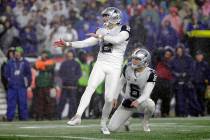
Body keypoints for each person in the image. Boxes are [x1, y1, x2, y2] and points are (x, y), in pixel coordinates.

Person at [54, 7, 130, 134]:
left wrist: (101, 36)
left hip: (115, 66)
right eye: (104, 16)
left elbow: (117, 40)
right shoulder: (101, 30)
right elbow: (86, 43)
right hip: (100, 62)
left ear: (114, 16)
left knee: (109, 98)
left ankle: (103, 123)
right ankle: (78, 116)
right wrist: (68, 44)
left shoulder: (124, 28)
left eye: (106, 15)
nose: (104, 18)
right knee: (90, 87)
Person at [108, 48, 156, 132]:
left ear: (145, 61)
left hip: (141, 103)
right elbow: (120, 83)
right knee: (111, 128)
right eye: (133, 58)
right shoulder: (127, 67)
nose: (134, 60)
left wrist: (138, 101)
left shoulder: (151, 73)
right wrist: (115, 97)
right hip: (128, 103)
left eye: (137, 59)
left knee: (151, 105)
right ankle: (126, 121)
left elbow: (147, 93)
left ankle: (145, 122)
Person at [4, 47, 32, 121]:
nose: (16, 53)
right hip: (12, 87)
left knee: (23, 103)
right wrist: (9, 80)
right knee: (11, 104)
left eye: (18, 52)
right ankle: (9, 118)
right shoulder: (10, 62)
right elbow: (6, 74)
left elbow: (29, 74)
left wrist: (27, 84)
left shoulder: (25, 62)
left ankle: (24, 119)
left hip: (21, 87)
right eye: (15, 52)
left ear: (21, 53)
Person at [57, 50, 81, 119]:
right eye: (68, 55)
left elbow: (79, 74)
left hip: (73, 87)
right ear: (66, 56)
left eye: (71, 55)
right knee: (62, 102)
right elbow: (60, 74)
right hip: (65, 86)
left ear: (73, 56)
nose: (69, 56)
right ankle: (58, 116)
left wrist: (73, 80)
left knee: (73, 102)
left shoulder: (76, 64)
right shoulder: (63, 64)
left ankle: (71, 116)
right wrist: (65, 80)